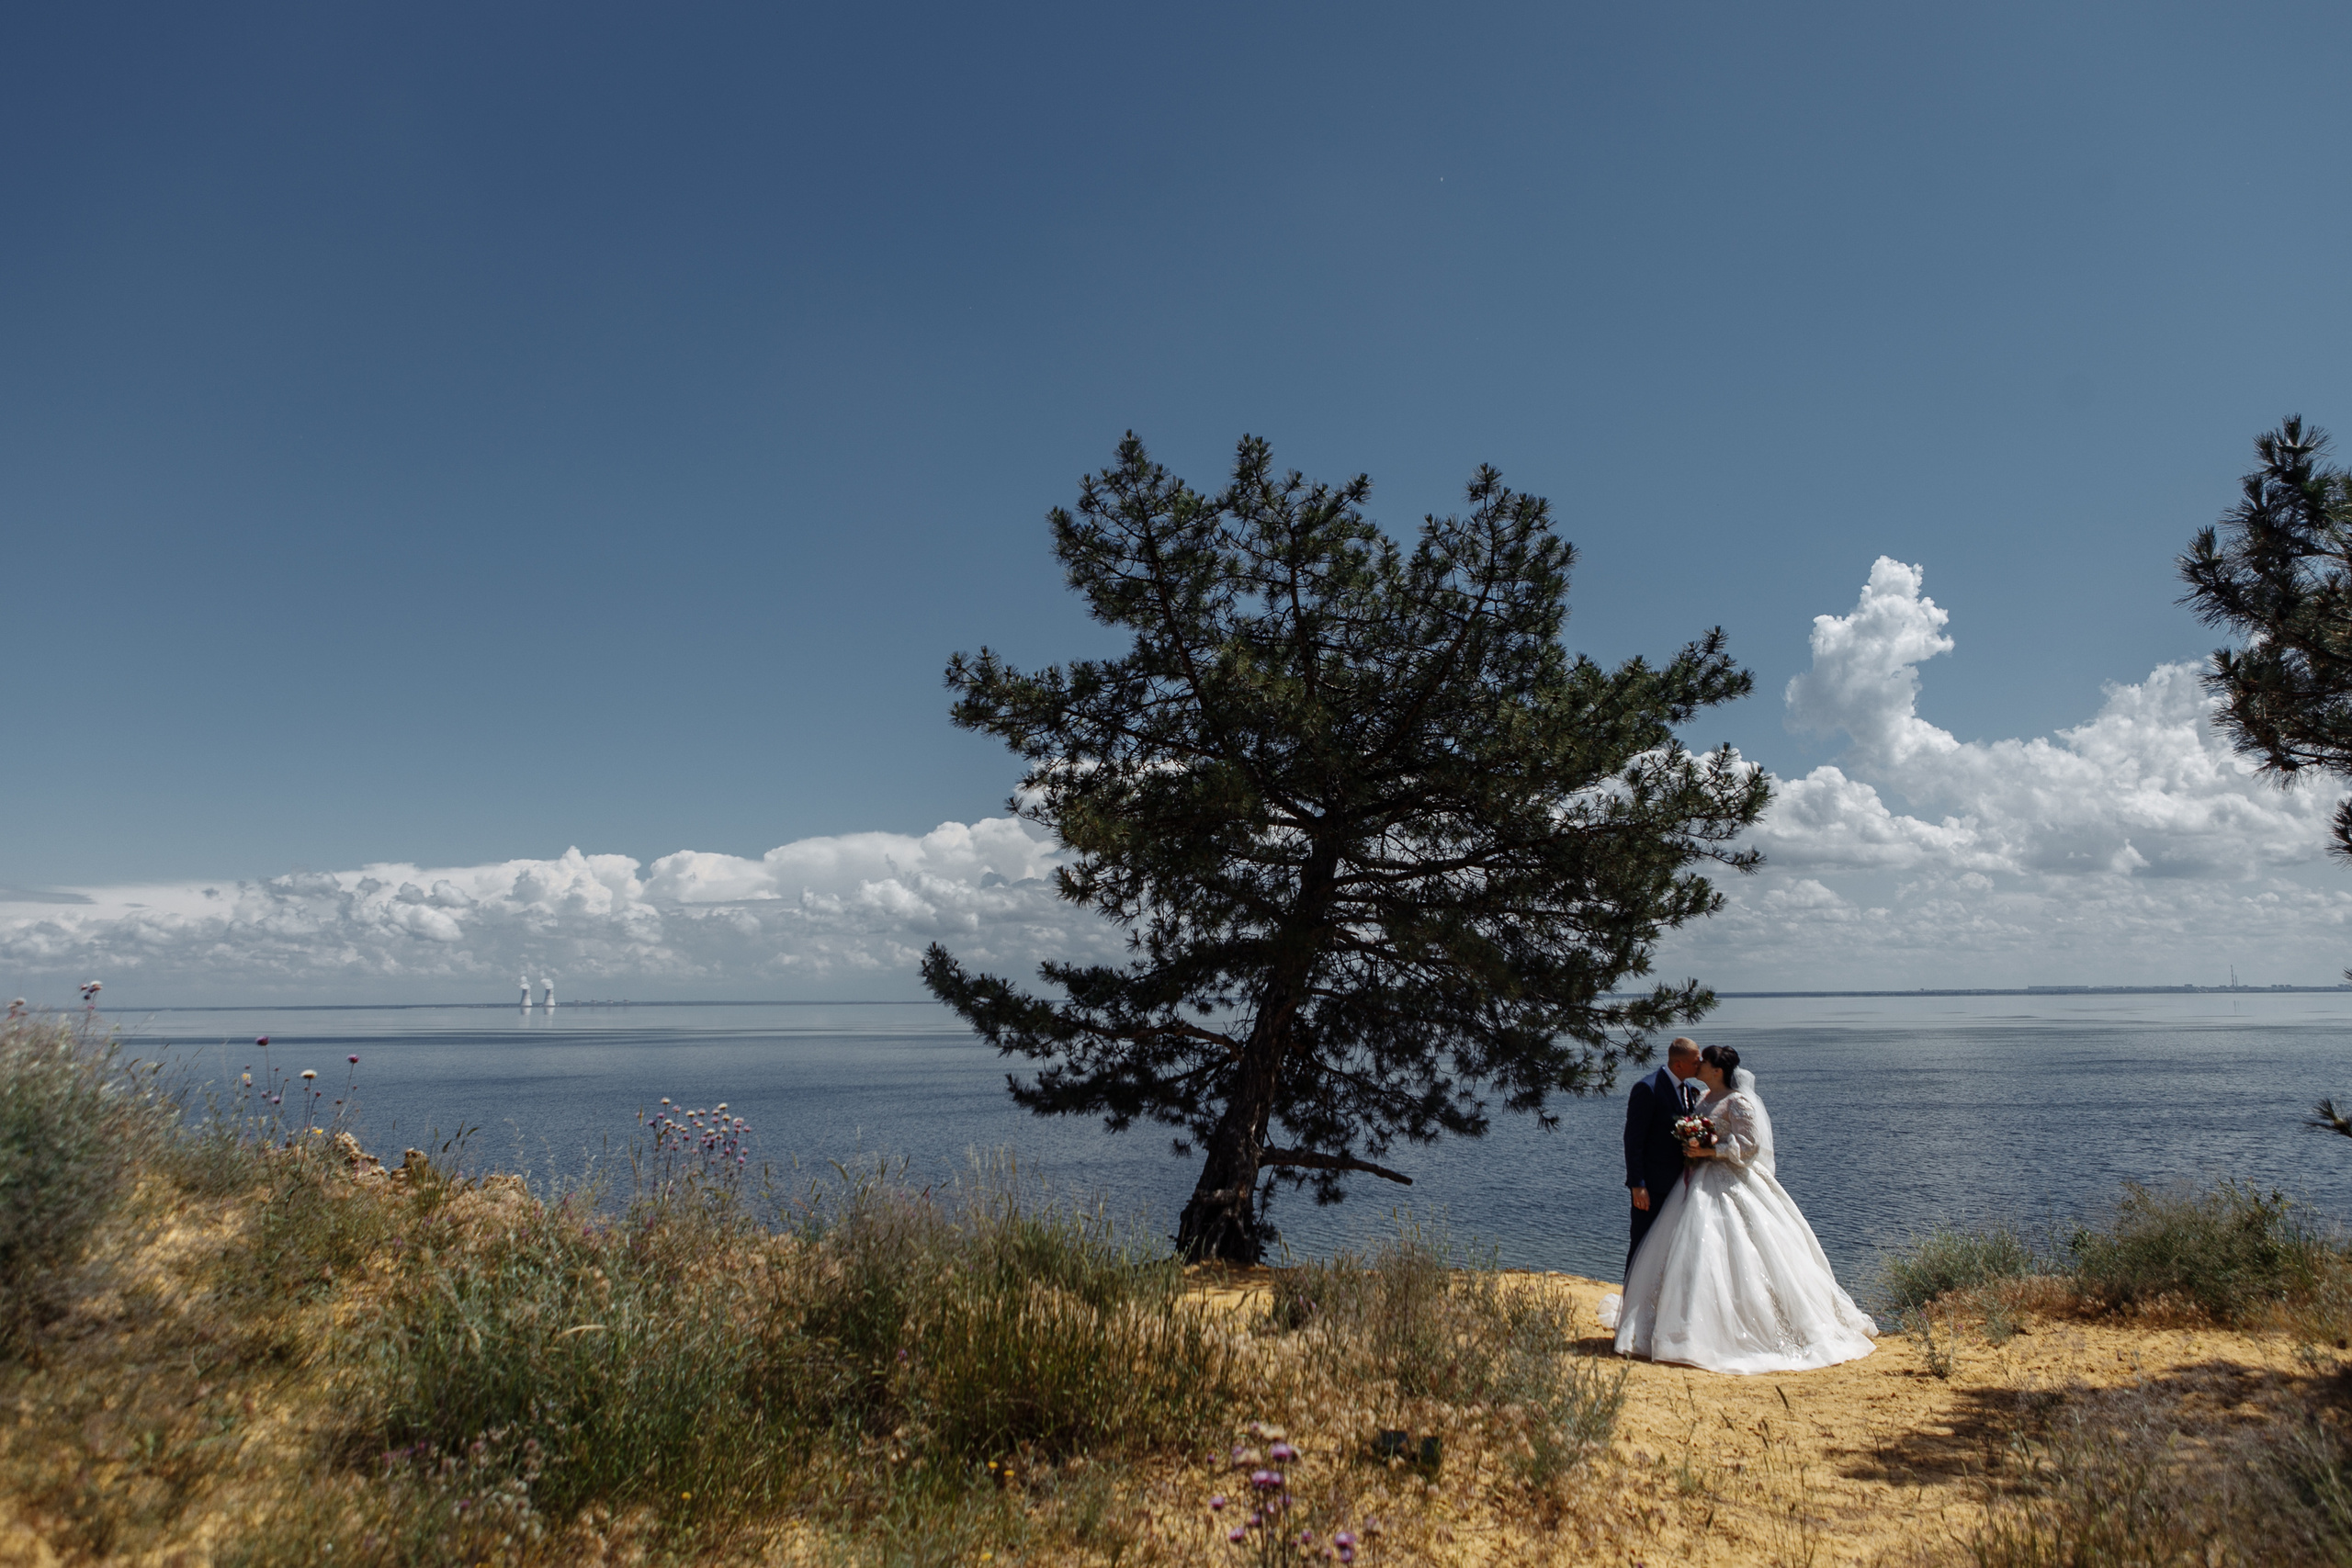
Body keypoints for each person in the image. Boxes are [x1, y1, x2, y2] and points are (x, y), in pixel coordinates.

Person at [1610, 1043, 1877, 1374]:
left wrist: (1710, 1151)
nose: (1699, 1066)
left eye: (1703, 1063)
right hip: (1692, 1184)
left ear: (1716, 1070)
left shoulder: (1737, 1101)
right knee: (1690, 1253)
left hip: (1727, 1181)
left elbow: (1749, 1148)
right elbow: (1638, 1137)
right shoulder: (1701, 1097)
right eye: (1695, 1062)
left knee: (1738, 1250)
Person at [1622, 1036, 1704, 1277]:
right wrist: (1638, 1185)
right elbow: (1633, 1140)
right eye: (1695, 1061)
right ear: (1679, 1065)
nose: (1699, 1064)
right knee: (1642, 1246)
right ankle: (1630, 1304)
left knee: (1671, 1248)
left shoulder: (1690, 1090)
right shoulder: (1647, 1088)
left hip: (1680, 1185)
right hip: (1652, 1188)